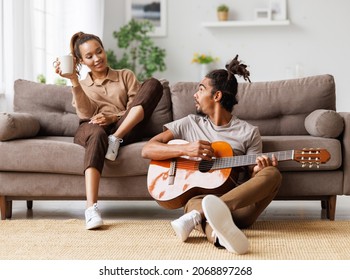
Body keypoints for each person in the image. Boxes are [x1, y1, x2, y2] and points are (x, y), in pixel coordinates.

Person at [141, 55, 282, 254]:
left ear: (216, 96)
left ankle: (201, 215)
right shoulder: (189, 123)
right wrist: (185, 149)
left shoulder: (249, 132)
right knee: (194, 205)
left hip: (238, 207)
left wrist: (260, 168)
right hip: (198, 199)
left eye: (200, 89)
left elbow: (254, 173)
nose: (195, 95)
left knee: (273, 174)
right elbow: (148, 149)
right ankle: (219, 237)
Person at [54, 32, 163, 230]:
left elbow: (135, 109)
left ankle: (116, 138)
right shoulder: (82, 84)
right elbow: (86, 114)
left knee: (153, 84)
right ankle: (91, 209)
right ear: (81, 60)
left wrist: (114, 119)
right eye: (89, 56)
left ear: (104, 50)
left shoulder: (125, 75)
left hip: (124, 129)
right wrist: (73, 80)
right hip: (92, 128)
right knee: (96, 132)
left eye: (99, 51)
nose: (97, 59)